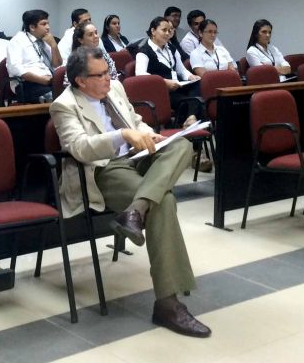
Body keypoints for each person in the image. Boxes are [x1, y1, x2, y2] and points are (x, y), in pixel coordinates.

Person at [50, 46, 210, 338]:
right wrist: (122, 135)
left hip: (139, 157)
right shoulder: (64, 105)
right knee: (164, 202)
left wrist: (149, 134)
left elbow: (136, 122)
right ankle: (168, 304)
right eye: (99, 75)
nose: (108, 79)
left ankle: (135, 210)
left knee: (182, 145)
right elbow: (80, 148)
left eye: (108, 72)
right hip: (105, 169)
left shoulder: (116, 88)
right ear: (80, 81)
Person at [135, 16, 201, 108]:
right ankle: (192, 112)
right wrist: (163, 82)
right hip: (161, 90)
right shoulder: (144, 51)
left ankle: (191, 113)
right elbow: (140, 74)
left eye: (169, 31)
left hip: (177, 86)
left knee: (198, 85)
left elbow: (181, 70)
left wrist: (191, 76)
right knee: (192, 102)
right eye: (164, 30)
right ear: (153, 31)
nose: (167, 33)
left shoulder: (172, 48)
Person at [7, 9, 62, 103]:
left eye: (48, 23)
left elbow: (57, 64)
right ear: (32, 27)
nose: (48, 27)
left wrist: (54, 45)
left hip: (49, 82)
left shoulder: (45, 40)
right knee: (55, 98)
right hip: (27, 84)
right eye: (44, 24)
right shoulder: (17, 41)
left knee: (71, 94)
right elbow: (15, 68)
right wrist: (41, 80)